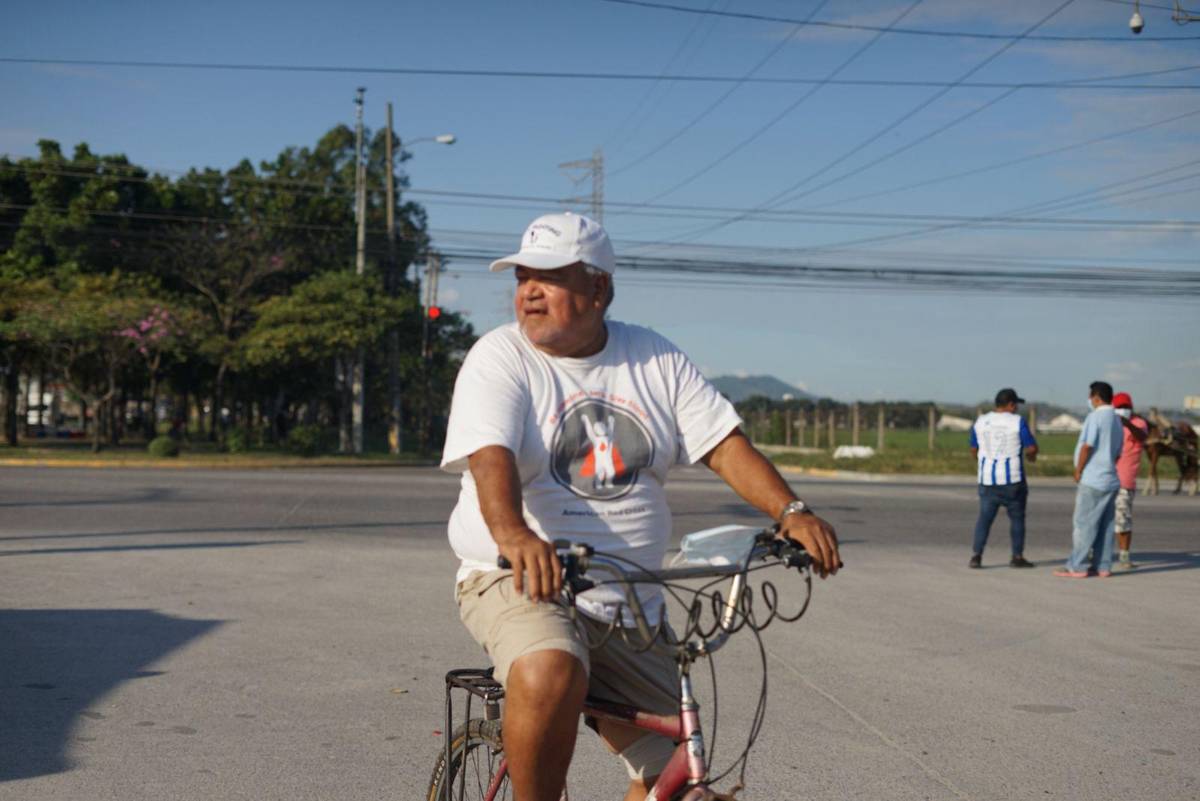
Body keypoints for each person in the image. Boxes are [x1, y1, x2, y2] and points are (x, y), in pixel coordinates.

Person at [440, 211, 842, 801]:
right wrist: (514, 534)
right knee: (550, 666)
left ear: (599, 287)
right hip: (522, 581)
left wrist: (791, 511)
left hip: (629, 599)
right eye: (523, 275)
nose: (528, 290)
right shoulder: (500, 357)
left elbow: (723, 445)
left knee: (684, 776)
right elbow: (490, 456)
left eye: (549, 276)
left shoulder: (652, 358)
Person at [1055, 381, 1124, 579]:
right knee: (1105, 525)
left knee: (1084, 524)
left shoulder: (1095, 417)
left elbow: (1088, 446)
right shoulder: (1117, 419)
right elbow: (1119, 451)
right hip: (1110, 478)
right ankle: (1103, 566)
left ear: (1096, 397)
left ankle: (1076, 565)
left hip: (1093, 479)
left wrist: (1079, 470)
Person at [968, 388, 1039, 569]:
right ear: (1011, 404)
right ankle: (1017, 556)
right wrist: (1032, 457)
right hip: (1013, 480)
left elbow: (973, 449)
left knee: (984, 519)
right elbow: (1031, 448)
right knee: (1017, 519)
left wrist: (984, 462)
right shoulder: (1017, 422)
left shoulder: (981, 421)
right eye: (1015, 405)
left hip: (987, 480)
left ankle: (976, 556)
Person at [1112, 391, 1149, 570]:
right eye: (1119, 407)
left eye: (1126, 407)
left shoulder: (1138, 423)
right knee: (1101, 519)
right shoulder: (1111, 423)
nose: (1123, 410)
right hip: (1107, 478)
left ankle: (1124, 555)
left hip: (1125, 480)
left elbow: (1142, 436)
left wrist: (1127, 423)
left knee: (1123, 519)